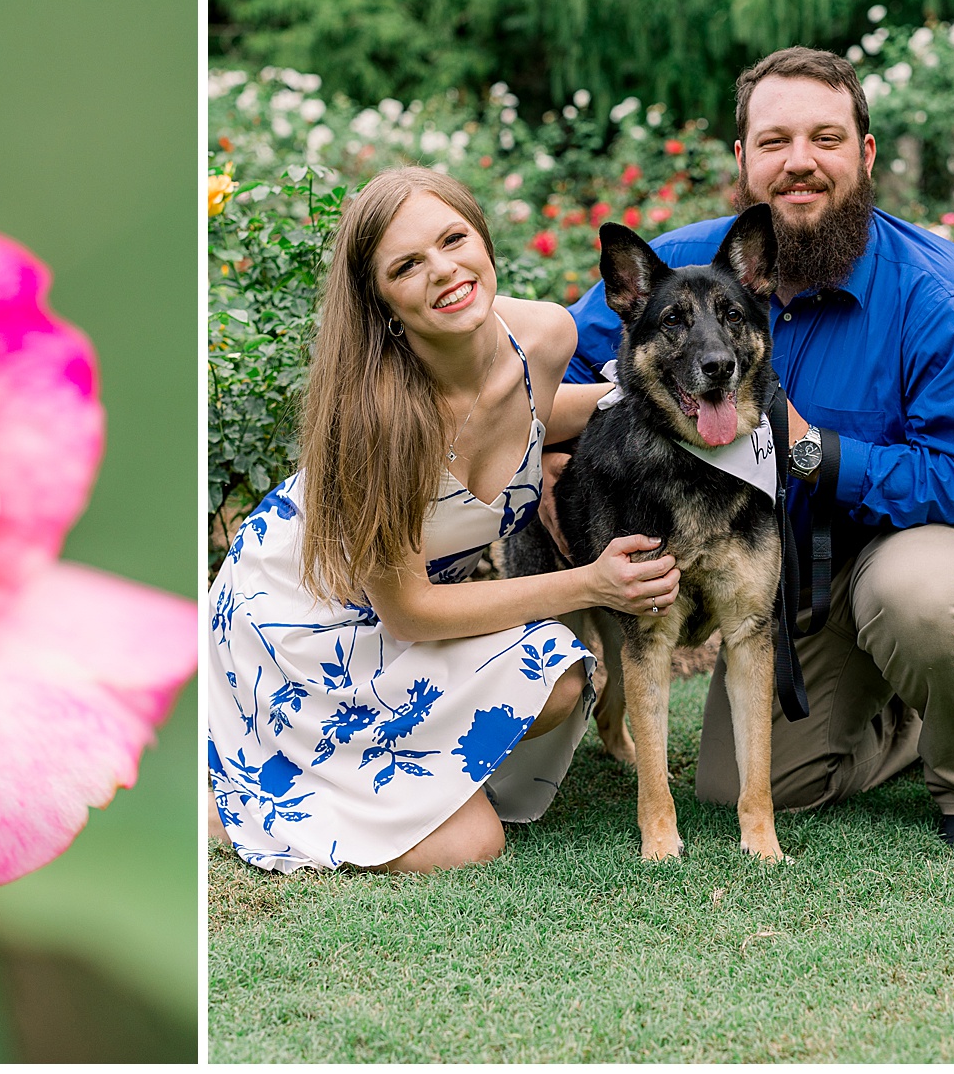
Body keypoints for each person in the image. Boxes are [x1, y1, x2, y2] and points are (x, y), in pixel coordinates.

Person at [556, 46, 954, 850]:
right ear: (744, 159)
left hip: (945, 534)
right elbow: (567, 361)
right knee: (746, 785)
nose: (799, 163)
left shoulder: (948, 299)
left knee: (917, 595)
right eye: (775, 141)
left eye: (825, 139)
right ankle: (895, 715)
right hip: (797, 564)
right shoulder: (692, 269)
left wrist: (812, 452)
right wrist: (556, 462)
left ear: (865, 153)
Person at [207, 166, 680, 873]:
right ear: (382, 304)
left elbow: (529, 416)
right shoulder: (376, 421)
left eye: (454, 239)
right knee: (471, 846)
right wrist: (590, 583)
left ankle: (397, 774)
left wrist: (653, 399)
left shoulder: (543, 339)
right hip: (301, 623)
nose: (443, 270)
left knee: (558, 680)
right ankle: (233, 796)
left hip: (398, 620)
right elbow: (412, 612)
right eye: (406, 266)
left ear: (483, 240)